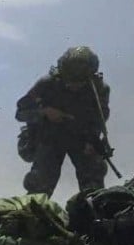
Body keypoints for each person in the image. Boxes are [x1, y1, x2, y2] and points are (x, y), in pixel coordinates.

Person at [16, 46, 111, 197]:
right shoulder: (46, 84)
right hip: (49, 137)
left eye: (79, 81)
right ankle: (34, 214)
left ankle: (93, 213)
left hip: (81, 138)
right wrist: (45, 113)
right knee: (40, 185)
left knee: (94, 183)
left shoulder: (98, 89)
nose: (74, 85)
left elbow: (100, 117)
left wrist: (92, 141)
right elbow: (21, 114)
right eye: (70, 80)